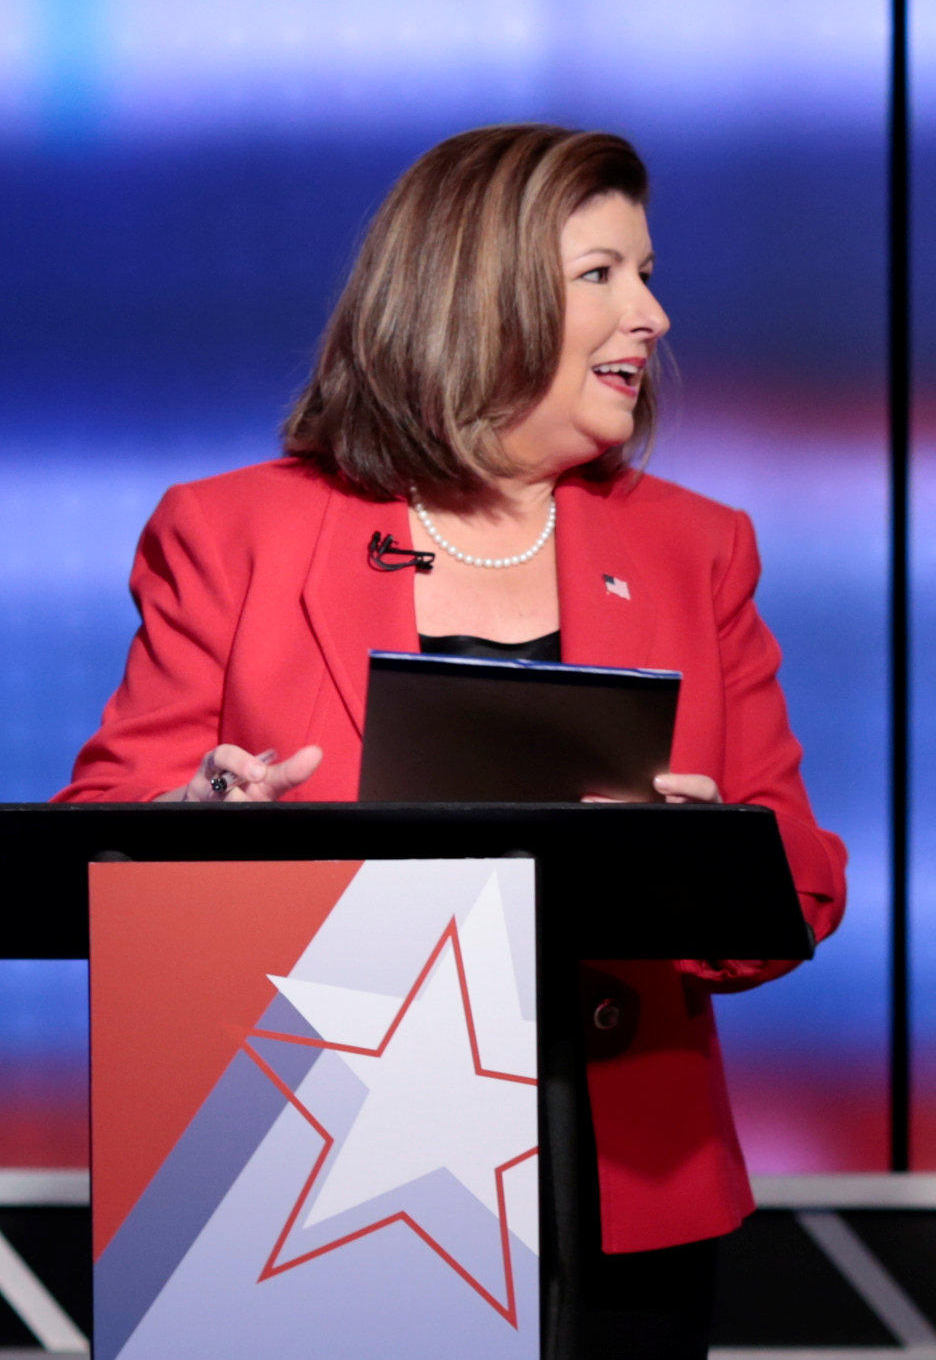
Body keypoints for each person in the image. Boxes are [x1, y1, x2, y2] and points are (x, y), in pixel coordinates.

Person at [57, 123, 849, 1360]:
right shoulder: (231, 533)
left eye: (647, 274)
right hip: (295, 1172)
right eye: (604, 274)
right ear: (474, 293)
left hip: (614, 1186)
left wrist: (696, 860)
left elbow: (801, 876)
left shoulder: (700, 548)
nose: (653, 313)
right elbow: (95, 828)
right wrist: (193, 819)